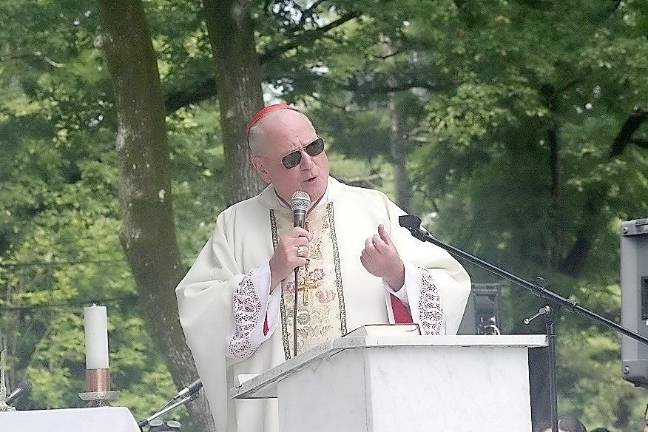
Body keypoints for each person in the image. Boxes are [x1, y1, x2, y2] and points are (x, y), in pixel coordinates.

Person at [175, 104, 471, 432]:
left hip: (365, 406)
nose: (309, 164)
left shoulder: (373, 209)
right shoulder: (235, 225)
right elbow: (199, 308)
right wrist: (270, 273)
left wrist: (397, 273)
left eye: (314, 148)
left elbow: (450, 283)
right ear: (262, 169)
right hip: (278, 415)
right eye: (291, 158)